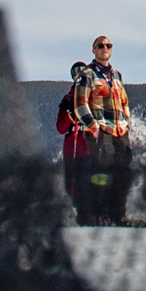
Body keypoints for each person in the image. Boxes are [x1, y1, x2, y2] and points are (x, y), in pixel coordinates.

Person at [73, 36, 133, 226]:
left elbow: (124, 101)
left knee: (122, 175)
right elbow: (79, 104)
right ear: (94, 50)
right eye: (101, 46)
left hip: (120, 131)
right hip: (101, 131)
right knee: (100, 175)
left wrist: (127, 121)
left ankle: (119, 215)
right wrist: (93, 125)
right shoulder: (87, 75)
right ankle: (97, 216)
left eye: (108, 46)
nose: (105, 48)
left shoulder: (117, 75)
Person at [55, 62, 91, 224]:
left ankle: (88, 216)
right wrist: (70, 117)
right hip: (72, 145)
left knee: (87, 181)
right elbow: (60, 127)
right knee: (70, 181)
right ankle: (70, 215)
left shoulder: (94, 96)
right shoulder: (67, 99)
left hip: (89, 146)